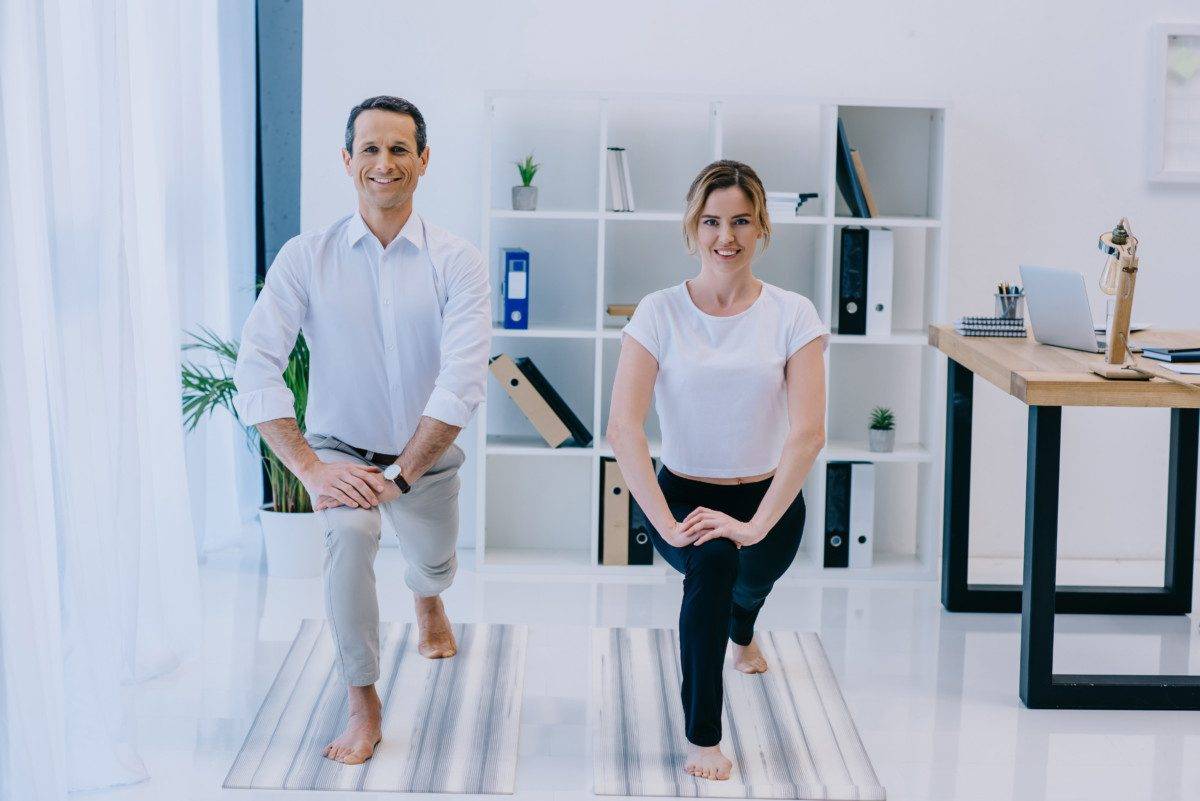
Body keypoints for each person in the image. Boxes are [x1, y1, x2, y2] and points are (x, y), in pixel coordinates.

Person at [232, 96, 490, 765]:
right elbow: (255, 365)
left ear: (424, 161)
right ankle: (362, 697)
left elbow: (462, 381)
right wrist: (313, 470)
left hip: (425, 454)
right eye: (370, 148)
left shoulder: (457, 261)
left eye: (400, 149)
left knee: (433, 558)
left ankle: (428, 596)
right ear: (347, 161)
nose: (385, 163)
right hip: (340, 451)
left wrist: (401, 475)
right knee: (349, 539)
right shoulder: (305, 258)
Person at [606, 160, 828, 781]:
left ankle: (744, 626)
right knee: (710, 570)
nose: (725, 236)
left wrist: (756, 525)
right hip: (684, 495)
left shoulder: (793, 314)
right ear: (692, 227)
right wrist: (668, 528)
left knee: (747, 586)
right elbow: (623, 428)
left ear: (761, 228)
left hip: (767, 501)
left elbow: (808, 432)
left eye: (740, 221)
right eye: (711, 221)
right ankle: (704, 736)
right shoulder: (658, 312)